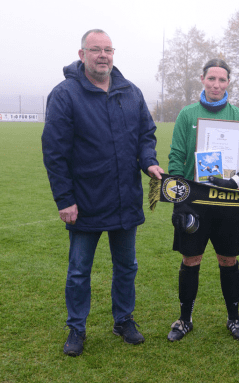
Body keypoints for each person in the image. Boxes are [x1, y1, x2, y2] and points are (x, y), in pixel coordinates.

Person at [42, 29, 164, 357]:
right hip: (85, 203)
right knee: (80, 270)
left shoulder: (131, 92)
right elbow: (54, 152)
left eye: (108, 49)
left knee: (127, 267)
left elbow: (145, 135)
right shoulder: (65, 94)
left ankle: (123, 320)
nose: (103, 55)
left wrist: (150, 163)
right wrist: (64, 199)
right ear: (82, 55)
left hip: (125, 200)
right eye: (95, 50)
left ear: (114, 54)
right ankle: (76, 329)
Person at [167, 59, 239, 341]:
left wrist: (236, 181)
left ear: (228, 83)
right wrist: (179, 199)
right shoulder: (187, 115)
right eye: (211, 79)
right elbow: (175, 158)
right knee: (191, 259)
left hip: (228, 201)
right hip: (195, 202)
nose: (216, 85)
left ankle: (234, 319)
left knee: (228, 260)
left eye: (222, 80)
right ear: (202, 79)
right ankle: (184, 319)